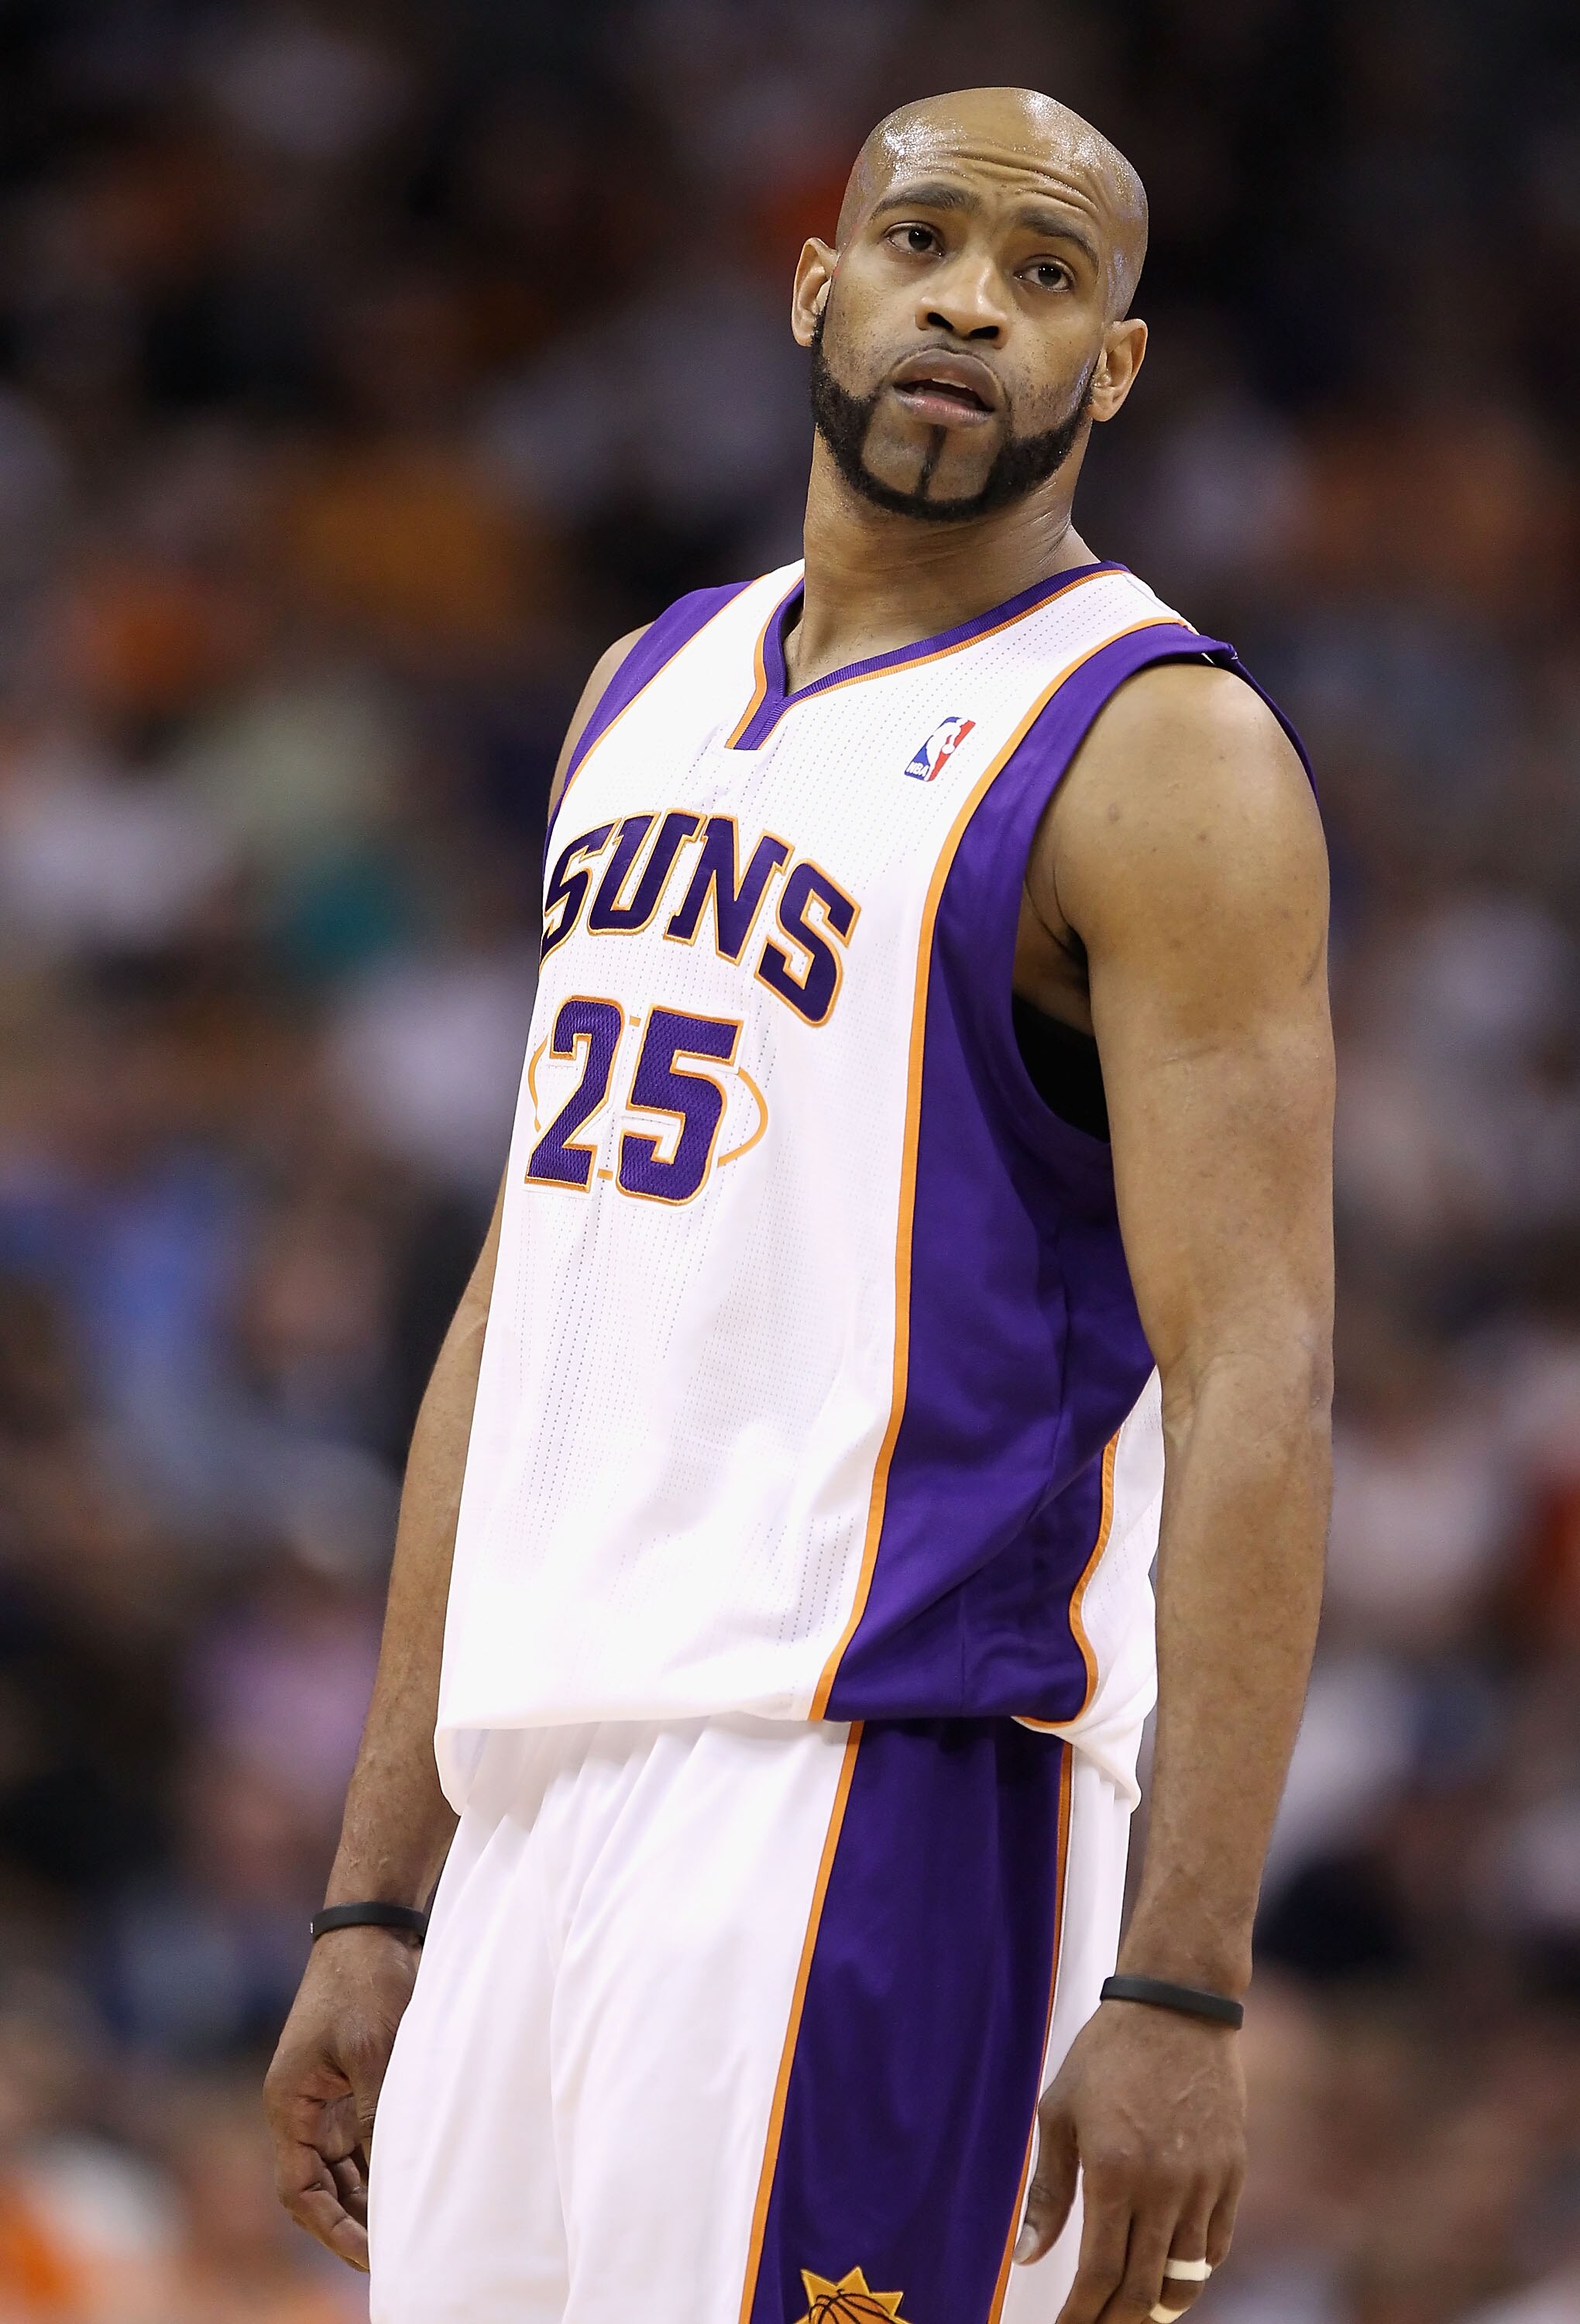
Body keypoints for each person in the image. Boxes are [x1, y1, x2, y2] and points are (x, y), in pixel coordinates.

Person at [264, 84, 1333, 2324]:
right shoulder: (637, 687)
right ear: (817, 284)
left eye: (1048, 278)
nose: (971, 305)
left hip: (875, 1798)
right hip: (539, 1804)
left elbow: (1261, 1371)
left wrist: (1189, 1977)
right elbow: (520, 1308)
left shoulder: (1158, 745)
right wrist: (383, 1890)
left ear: (1111, 370)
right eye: (926, 243)